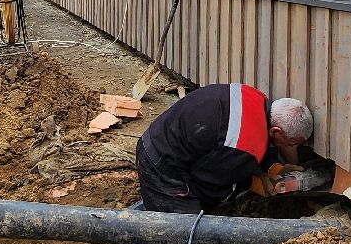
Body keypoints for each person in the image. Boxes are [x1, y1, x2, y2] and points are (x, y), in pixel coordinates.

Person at [134, 83, 323, 213]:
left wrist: (266, 167)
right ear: (275, 131)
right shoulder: (246, 148)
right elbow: (207, 183)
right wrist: (249, 184)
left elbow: (232, 140)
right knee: (184, 233)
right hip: (160, 165)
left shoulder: (254, 96)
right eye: (292, 144)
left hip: (159, 136)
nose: (292, 148)